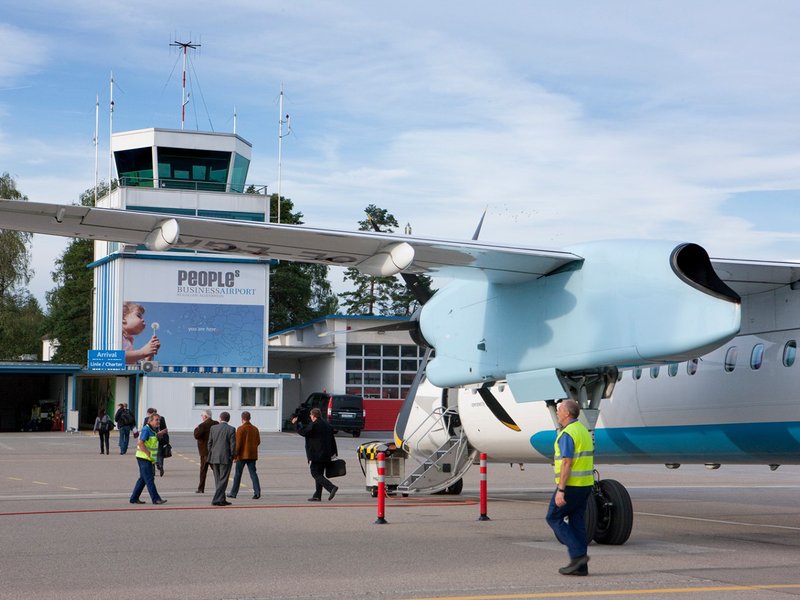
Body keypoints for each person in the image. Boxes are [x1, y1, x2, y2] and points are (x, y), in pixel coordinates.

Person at [545, 399, 595, 576]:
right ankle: (581, 568)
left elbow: (567, 462)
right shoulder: (583, 430)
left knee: (553, 517)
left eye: (559, 410)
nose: (557, 412)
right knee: (577, 521)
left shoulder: (568, 434)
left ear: (567, 413)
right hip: (585, 485)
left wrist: (561, 490)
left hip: (571, 486)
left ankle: (578, 555)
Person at [292, 407, 338, 502]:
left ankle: (331, 487)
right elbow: (333, 440)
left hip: (317, 455)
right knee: (320, 474)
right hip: (326, 455)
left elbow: (304, 432)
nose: (310, 416)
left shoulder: (315, 425)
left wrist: (296, 424)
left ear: (313, 416)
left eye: (310, 415)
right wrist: (334, 453)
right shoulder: (327, 425)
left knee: (315, 473)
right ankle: (317, 495)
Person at [129, 412, 167, 505]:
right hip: (144, 457)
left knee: (143, 479)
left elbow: (152, 440)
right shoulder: (146, 429)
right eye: (156, 420)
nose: (158, 422)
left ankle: (134, 498)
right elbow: (140, 443)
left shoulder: (152, 430)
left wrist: (160, 433)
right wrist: (148, 453)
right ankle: (156, 499)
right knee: (149, 479)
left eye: (159, 420)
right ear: (151, 421)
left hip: (147, 458)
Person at [229, 411, 261, 500]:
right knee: (253, 474)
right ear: (249, 418)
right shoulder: (255, 429)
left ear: (242, 418)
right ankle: (257, 492)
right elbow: (258, 441)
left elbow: (238, 444)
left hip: (242, 456)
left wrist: (235, 456)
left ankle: (233, 493)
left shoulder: (240, 429)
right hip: (252, 455)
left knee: (238, 474)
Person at [207, 411, 236, 506]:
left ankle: (221, 499)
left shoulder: (213, 428)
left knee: (218, 479)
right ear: (228, 419)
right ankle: (216, 499)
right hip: (225, 457)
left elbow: (209, 443)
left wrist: (211, 453)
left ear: (220, 418)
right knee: (223, 479)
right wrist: (233, 456)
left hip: (214, 457)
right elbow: (233, 445)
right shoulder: (231, 429)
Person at [193, 409, 218, 494]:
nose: (201, 417)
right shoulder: (216, 423)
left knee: (203, 470)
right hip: (214, 450)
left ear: (205, 416)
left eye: (202, 415)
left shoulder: (202, 425)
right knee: (216, 470)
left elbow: (197, 436)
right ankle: (219, 486)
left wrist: (196, 429)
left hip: (204, 452)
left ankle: (201, 488)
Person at [143, 407, 170, 476]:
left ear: (149, 413)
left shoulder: (146, 419)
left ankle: (153, 470)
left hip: (151, 439)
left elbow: (144, 428)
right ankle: (160, 464)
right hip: (160, 438)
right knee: (160, 453)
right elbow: (165, 429)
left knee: (151, 454)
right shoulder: (162, 418)